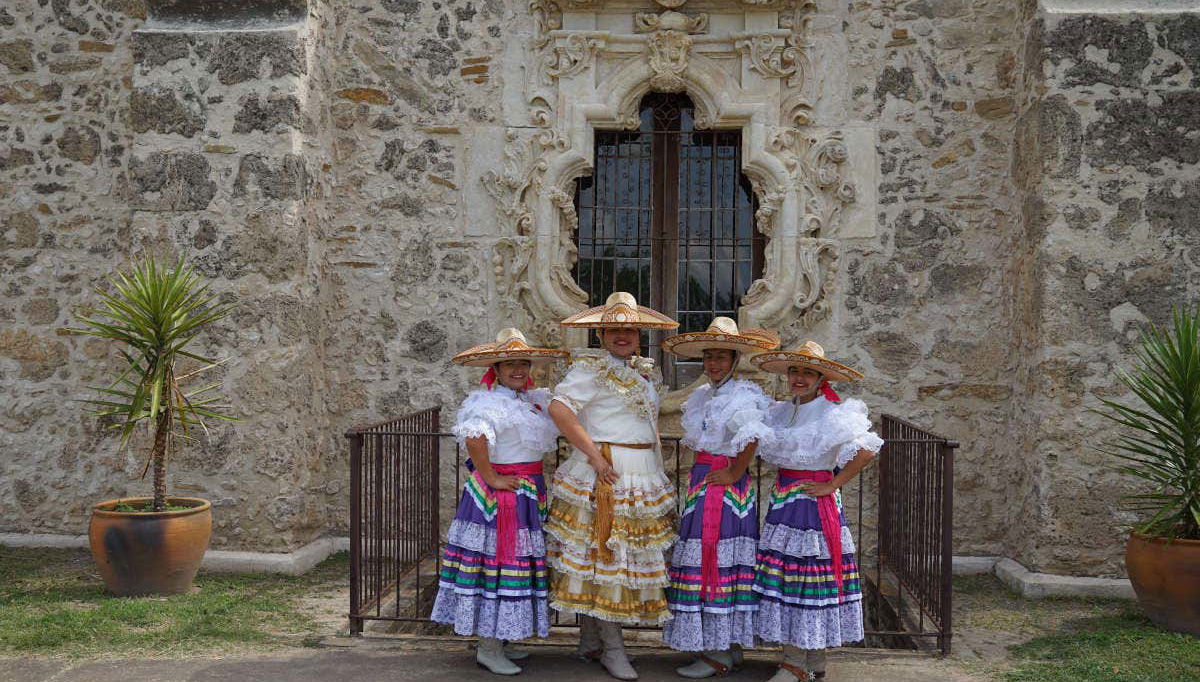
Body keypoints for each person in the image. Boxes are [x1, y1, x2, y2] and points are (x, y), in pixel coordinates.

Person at [544, 292, 679, 681]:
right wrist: (594, 455)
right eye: (614, 329)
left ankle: (591, 640)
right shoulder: (591, 369)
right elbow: (559, 408)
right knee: (608, 558)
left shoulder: (642, 371)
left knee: (613, 559)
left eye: (629, 329)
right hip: (608, 471)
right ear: (601, 333)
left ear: (639, 334)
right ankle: (613, 648)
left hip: (640, 472)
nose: (622, 335)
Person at [430, 328, 568, 675]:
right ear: (497, 368)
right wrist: (491, 477)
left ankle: (502, 638)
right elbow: (475, 436)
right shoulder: (487, 400)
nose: (518, 369)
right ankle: (488, 647)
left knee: (515, 564)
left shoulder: (529, 399)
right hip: (502, 496)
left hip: (525, 492)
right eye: (510, 364)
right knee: (497, 563)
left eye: (523, 362)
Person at [750, 341, 884, 682]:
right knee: (792, 578)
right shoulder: (785, 410)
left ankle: (797, 662)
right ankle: (811, 660)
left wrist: (832, 484)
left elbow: (867, 450)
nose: (799, 378)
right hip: (785, 502)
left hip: (812, 506)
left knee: (806, 578)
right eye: (795, 371)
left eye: (807, 372)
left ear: (821, 378)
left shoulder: (832, 411)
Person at [660, 318, 780, 678]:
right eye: (709, 356)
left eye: (721, 356)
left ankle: (717, 653)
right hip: (707, 483)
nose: (714, 363)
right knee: (718, 560)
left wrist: (734, 471)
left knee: (715, 560)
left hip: (723, 490)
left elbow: (753, 434)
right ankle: (728, 646)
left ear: (735, 359)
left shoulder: (740, 396)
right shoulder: (706, 395)